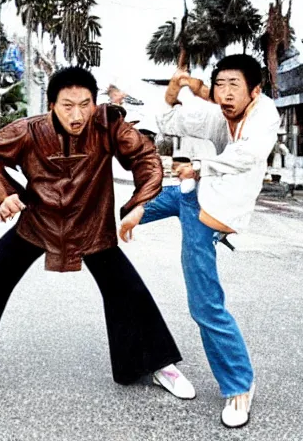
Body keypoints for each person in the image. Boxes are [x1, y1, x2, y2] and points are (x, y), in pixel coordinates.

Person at [0, 67, 194, 402]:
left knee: (127, 290)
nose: (78, 114)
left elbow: (144, 156)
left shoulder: (108, 124)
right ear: (52, 104)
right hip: (38, 223)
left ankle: (155, 364)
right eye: (68, 105)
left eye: (85, 104)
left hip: (92, 224)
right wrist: (3, 193)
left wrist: (140, 202)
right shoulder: (29, 131)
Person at [119, 54, 280, 428]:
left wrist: (200, 167)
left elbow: (249, 155)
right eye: (219, 85)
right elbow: (167, 119)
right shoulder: (215, 115)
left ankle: (240, 386)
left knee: (206, 307)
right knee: (113, 216)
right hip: (189, 194)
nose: (225, 94)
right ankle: (152, 359)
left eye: (234, 86)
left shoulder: (264, 115)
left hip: (209, 212)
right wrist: (175, 91)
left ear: (254, 91)